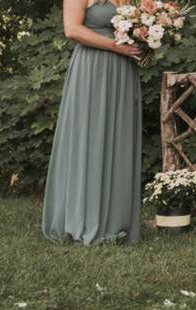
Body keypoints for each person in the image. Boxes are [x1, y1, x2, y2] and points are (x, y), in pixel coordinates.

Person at [43, 0, 143, 245]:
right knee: (88, 137)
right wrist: (115, 46)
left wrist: (147, 41)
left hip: (123, 70)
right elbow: (72, 30)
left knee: (118, 140)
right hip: (92, 68)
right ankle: (81, 220)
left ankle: (115, 222)